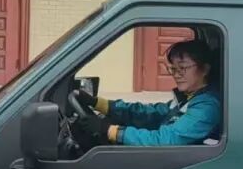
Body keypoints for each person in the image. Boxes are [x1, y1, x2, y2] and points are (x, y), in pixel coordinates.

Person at [74, 39, 221, 146]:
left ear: (205, 69)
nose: (176, 75)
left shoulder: (207, 106)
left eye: (182, 68)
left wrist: (110, 131)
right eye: (173, 69)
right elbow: (151, 113)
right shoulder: (188, 98)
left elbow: (166, 140)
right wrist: (98, 103)